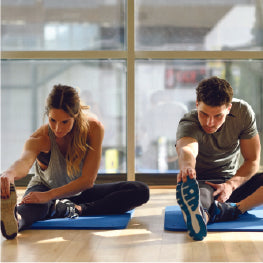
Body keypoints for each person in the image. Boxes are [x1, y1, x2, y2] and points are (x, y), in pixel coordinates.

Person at [1, 84, 149, 240]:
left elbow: (87, 181)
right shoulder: (40, 138)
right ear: (47, 114)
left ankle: (74, 209)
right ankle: (16, 221)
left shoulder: (94, 129)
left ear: (76, 114)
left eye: (65, 122)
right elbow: (24, 162)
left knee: (140, 190)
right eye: (53, 120)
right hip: (44, 188)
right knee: (35, 208)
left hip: (78, 191)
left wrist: (51, 196)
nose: (58, 128)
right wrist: (9, 173)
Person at [175, 76, 262, 241]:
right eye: (204, 114)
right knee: (199, 200)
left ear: (229, 108)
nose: (209, 122)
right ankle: (200, 217)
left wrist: (230, 185)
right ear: (197, 104)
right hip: (203, 184)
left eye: (217, 116)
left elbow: (252, 160)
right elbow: (187, 149)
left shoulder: (243, 112)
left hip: (233, 183)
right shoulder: (188, 122)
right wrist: (187, 167)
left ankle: (232, 210)